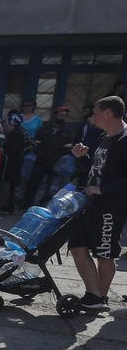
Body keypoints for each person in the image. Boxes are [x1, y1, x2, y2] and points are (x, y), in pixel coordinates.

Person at [69, 95, 127, 311]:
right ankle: (94, 295)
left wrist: (102, 190)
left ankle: (98, 298)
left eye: (96, 111)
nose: (92, 115)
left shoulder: (124, 139)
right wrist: (83, 158)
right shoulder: (107, 137)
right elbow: (97, 172)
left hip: (111, 208)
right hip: (93, 204)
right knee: (77, 245)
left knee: (105, 253)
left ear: (108, 113)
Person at [24, 105, 72, 206]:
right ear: (55, 115)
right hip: (41, 161)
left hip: (55, 163)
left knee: (51, 187)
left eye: (64, 116)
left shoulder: (67, 131)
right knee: (33, 183)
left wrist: (57, 159)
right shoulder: (45, 128)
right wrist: (40, 154)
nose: (62, 117)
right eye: (60, 115)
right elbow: (36, 143)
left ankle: (45, 204)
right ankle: (26, 204)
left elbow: (67, 149)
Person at [1, 111, 28, 213]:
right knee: (10, 187)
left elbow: (12, 150)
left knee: (10, 187)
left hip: (12, 165)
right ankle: (7, 206)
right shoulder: (17, 133)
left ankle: (8, 207)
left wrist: (3, 150)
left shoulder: (16, 134)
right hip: (14, 164)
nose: (6, 126)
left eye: (8, 123)